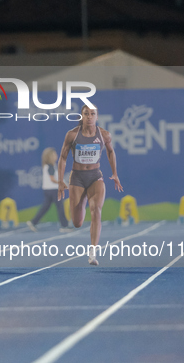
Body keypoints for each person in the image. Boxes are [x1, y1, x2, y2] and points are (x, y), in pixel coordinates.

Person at [58, 105, 123, 266]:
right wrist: (60, 180)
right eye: (86, 114)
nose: (89, 117)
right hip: (77, 178)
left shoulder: (104, 135)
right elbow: (63, 157)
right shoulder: (72, 135)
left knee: (96, 211)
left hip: (95, 176)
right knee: (77, 222)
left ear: (97, 117)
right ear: (82, 116)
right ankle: (83, 199)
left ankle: (93, 252)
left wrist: (114, 173)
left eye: (92, 114)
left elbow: (110, 152)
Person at [27, 147, 71, 233]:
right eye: (54, 154)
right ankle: (64, 226)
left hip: (47, 190)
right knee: (60, 207)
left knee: (45, 207)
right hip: (53, 190)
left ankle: (33, 222)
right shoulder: (50, 167)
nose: (56, 156)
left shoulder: (49, 166)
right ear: (50, 157)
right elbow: (52, 179)